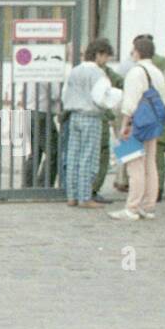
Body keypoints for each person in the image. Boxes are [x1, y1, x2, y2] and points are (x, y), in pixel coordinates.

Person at [110, 34, 165, 222]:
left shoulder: (136, 72)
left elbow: (130, 101)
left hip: (137, 122)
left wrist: (125, 124)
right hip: (153, 122)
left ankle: (132, 207)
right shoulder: (157, 72)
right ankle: (148, 206)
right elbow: (164, 97)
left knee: (134, 165)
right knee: (150, 164)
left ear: (137, 52)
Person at [60, 39, 119, 209]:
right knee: (88, 157)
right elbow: (102, 98)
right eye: (106, 56)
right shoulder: (98, 74)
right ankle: (85, 196)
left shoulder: (74, 71)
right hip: (91, 117)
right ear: (99, 55)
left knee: (73, 156)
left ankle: (72, 195)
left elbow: (65, 95)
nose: (106, 60)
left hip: (74, 116)